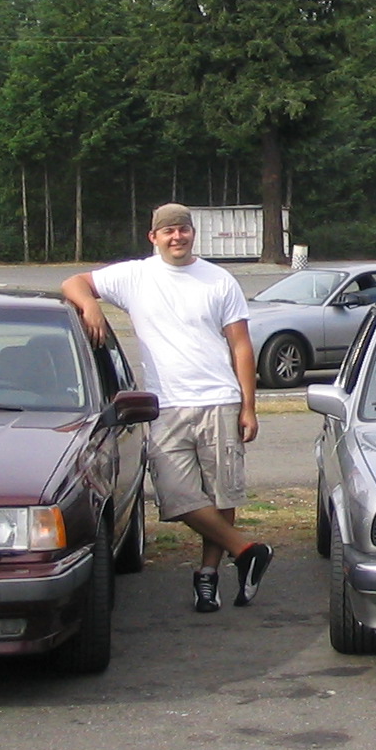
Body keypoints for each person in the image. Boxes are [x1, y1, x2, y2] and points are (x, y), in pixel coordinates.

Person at [62, 203, 271, 612]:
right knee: (174, 494)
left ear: (193, 234)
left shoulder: (219, 280)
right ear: (153, 237)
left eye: (184, 230)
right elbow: (74, 281)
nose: (178, 237)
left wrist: (249, 406)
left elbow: (241, 345)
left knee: (220, 494)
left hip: (219, 400)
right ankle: (247, 550)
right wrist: (90, 306)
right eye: (169, 231)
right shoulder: (134, 276)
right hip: (167, 405)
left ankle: (208, 577)